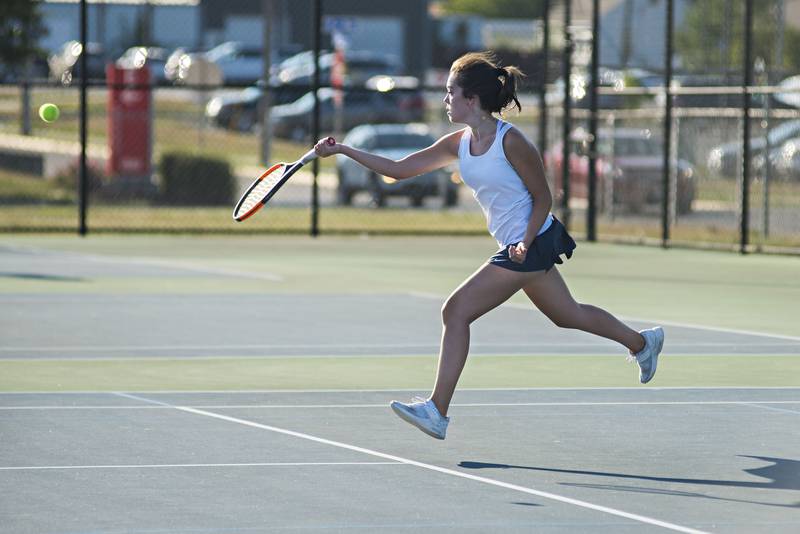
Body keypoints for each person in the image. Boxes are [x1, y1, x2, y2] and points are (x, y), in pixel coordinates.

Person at [314, 51, 664, 440]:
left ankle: (437, 411)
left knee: (456, 311)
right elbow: (400, 170)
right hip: (519, 244)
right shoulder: (457, 143)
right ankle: (642, 342)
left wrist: (525, 241)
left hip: (533, 240)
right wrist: (344, 149)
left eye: (450, 93)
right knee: (567, 314)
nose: (445, 100)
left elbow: (543, 198)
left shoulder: (512, 142)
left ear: (472, 100)